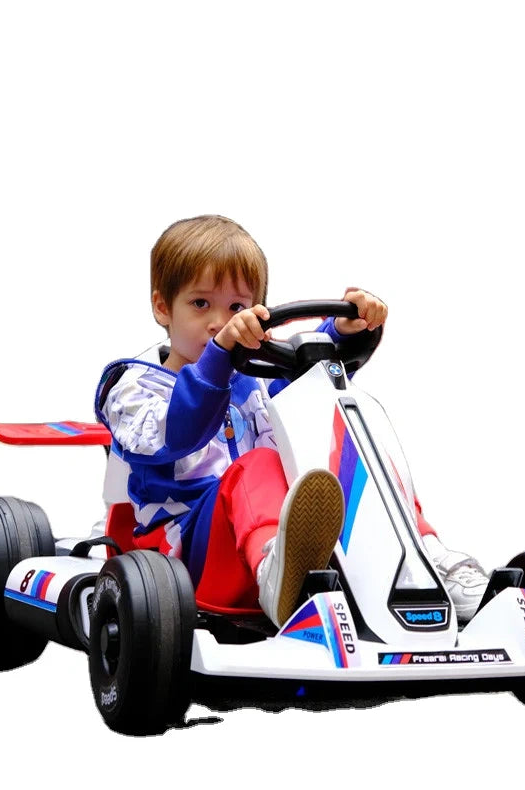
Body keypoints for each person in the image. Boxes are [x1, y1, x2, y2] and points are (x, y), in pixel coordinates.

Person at [95, 214, 487, 626]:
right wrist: (219, 357)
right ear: (163, 307)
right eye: (200, 304)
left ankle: (425, 558)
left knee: (351, 447)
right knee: (260, 463)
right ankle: (275, 572)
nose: (219, 322)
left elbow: (306, 386)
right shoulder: (131, 387)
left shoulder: (255, 379)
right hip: (185, 557)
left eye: (236, 308)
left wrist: (344, 331)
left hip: (279, 532)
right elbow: (178, 431)